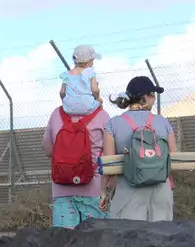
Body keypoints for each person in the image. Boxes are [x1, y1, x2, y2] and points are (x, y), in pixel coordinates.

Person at [102, 77, 177, 222]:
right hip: (161, 191)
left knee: (127, 239)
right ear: (144, 98)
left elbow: (108, 166)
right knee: (162, 239)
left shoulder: (113, 124)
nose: (154, 99)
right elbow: (173, 157)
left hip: (128, 189)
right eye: (153, 95)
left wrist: (103, 192)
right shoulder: (163, 122)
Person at [45, 66, 111, 228]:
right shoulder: (102, 116)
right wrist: (106, 190)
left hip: (62, 188)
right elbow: (109, 159)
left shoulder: (56, 115)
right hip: (94, 189)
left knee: (65, 244)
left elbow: (48, 150)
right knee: (97, 244)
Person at [59, 44, 105, 116]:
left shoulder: (67, 74)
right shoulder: (90, 72)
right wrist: (97, 99)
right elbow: (95, 90)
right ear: (87, 63)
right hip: (87, 107)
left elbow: (62, 92)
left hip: (69, 109)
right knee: (100, 102)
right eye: (92, 60)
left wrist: (66, 102)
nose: (93, 63)